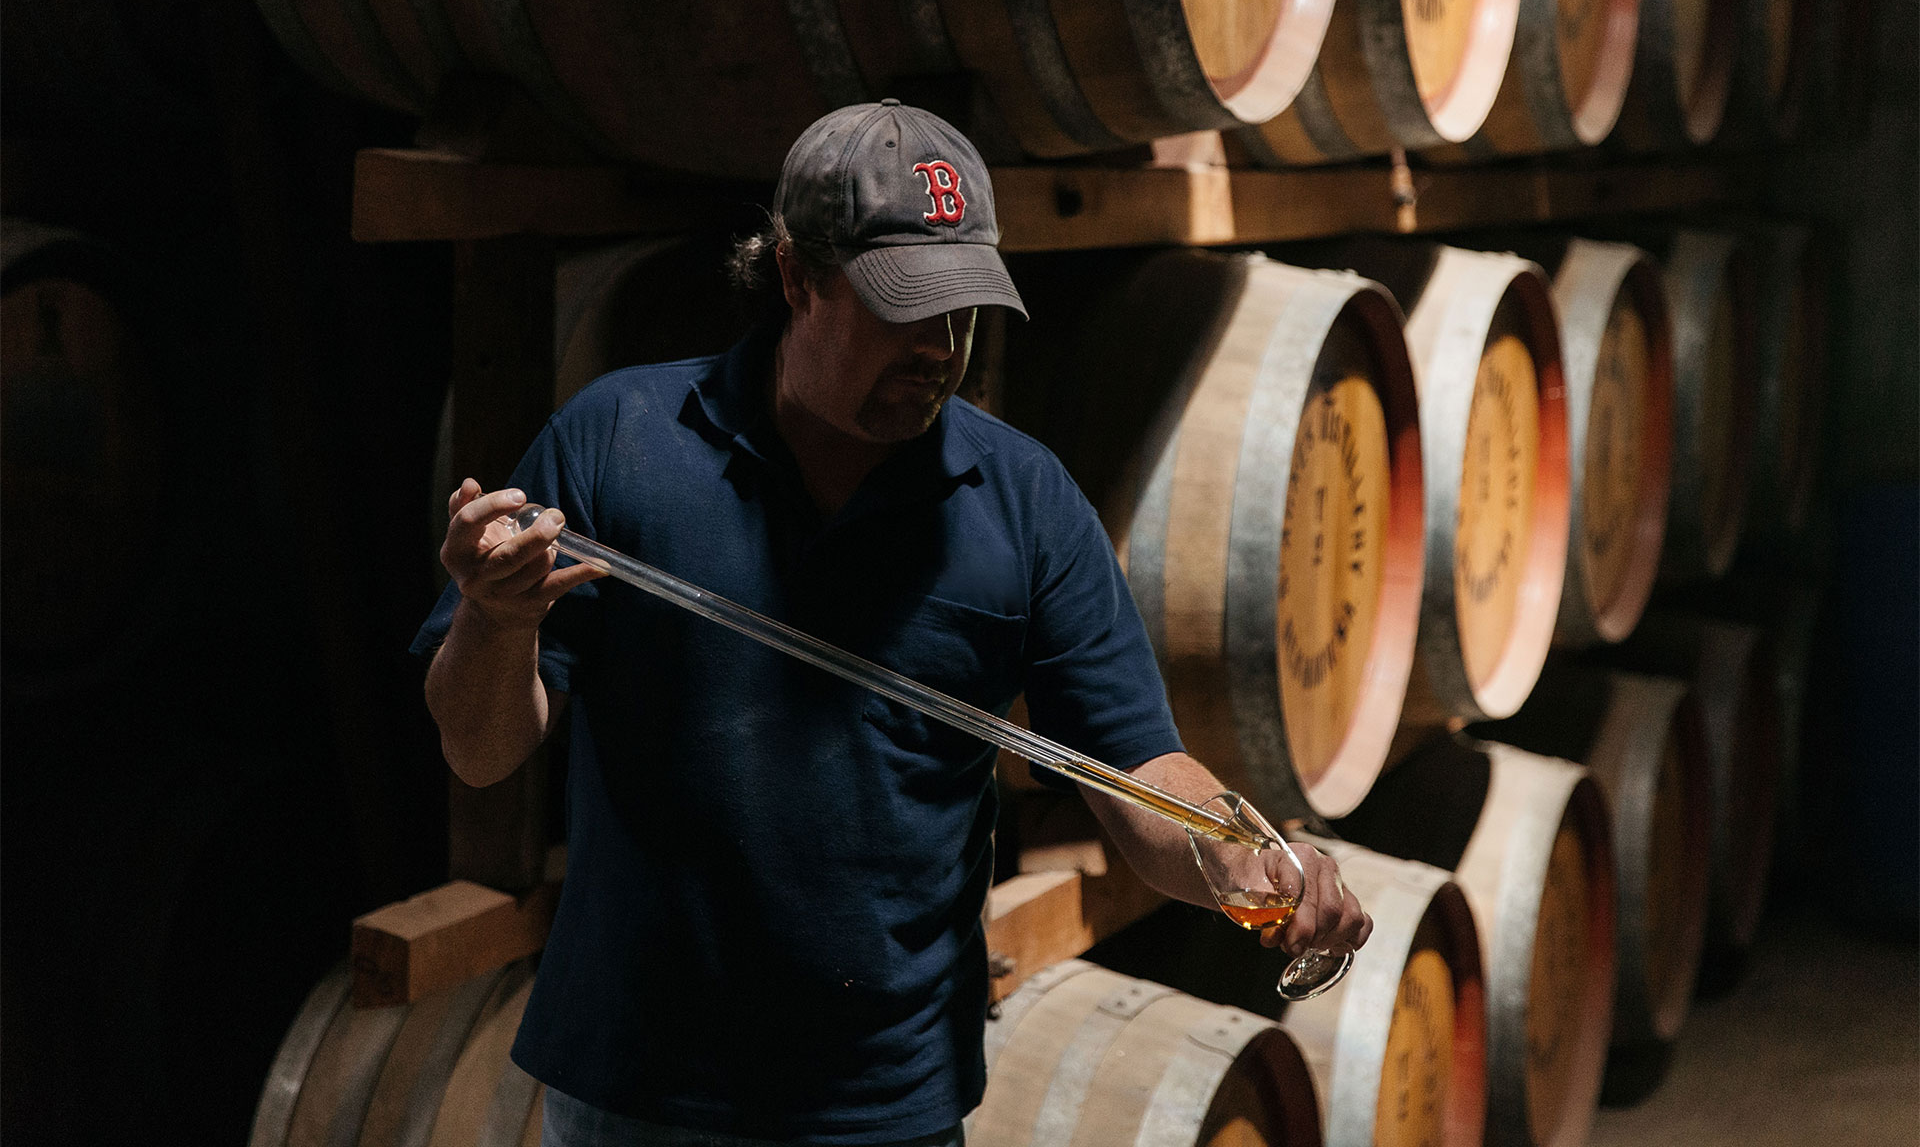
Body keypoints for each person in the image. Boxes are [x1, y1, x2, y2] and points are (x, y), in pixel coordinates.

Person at [415, 100, 1371, 1147]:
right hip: (639, 1091)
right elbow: (480, 748)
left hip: (887, 1103)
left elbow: (1137, 768)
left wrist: (1246, 859)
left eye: (962, 310)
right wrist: (494, 624)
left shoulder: (1024, 500)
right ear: (794, 276)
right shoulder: (618, 442)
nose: (940, 347)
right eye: (903, 308)